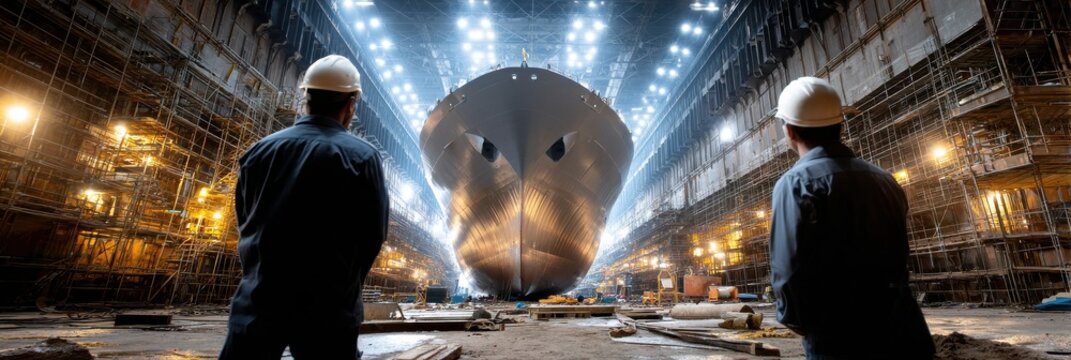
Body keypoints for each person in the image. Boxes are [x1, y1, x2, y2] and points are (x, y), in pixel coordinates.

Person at [220, 55, 390, 360]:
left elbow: (245, 222)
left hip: (259, 298)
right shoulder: (362, 157)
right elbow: (372, 236)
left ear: (305, 98)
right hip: (330, 305)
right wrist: (343, 281)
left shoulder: (259, 152)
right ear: (351, 104)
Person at [768, 77, 934, 359]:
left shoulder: (796, 184)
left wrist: (794, 317)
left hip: (839, 332)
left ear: (790, 131)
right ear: (839, 125)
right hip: (903, 326)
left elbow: (789, 265)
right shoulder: (884, 179)